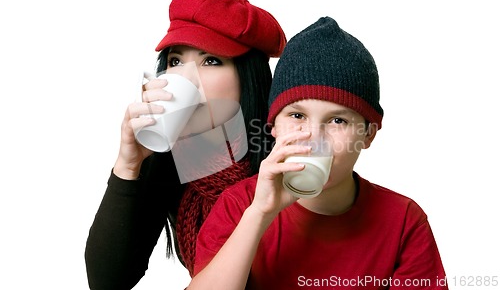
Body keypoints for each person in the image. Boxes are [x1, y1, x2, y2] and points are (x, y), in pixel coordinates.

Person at [188, 17, 448, 289]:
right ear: (273, 126)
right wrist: (260, 213)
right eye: (297, 115)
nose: (313, 137)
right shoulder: (239, 206)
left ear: (368, 134)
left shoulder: (404, 220)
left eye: (338, 121)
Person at [84, 0, 286, 289]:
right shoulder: (172, 160)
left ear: (249, 79)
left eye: (211, 61)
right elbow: (108, 281)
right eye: (176, 61)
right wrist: (127, 166)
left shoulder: (282, 160)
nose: (186, 78)